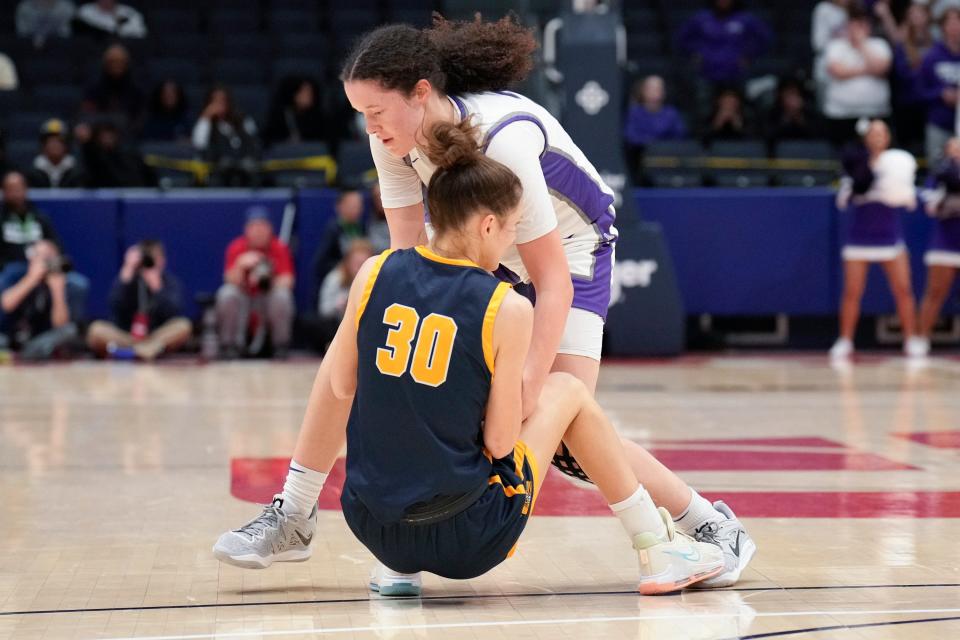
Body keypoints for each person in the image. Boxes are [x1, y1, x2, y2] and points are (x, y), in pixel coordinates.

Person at [213, 16, 755, 590]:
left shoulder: (505, 138)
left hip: (569, 252)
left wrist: (524, 382)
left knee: (558, 423)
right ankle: (297, 512)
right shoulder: (389, 141)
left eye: (376, 111)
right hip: (481, 246)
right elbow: (408, 268)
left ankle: (706, 525)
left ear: (421, 93)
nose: (368, 127)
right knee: (353, 357)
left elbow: (552, 279)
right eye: (361, 115)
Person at [831, 120, 925, 360]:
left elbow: (911, 201)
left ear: (888, 137)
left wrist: (894, 191)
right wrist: (861, 187)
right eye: (873, 133)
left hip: (890, 238)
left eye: (882, 132)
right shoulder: (855, 162)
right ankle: (845, 340)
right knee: (852, 291)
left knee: (903, 289)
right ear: (866, 137)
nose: (877, 137)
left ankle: (910, 339)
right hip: (859, 239)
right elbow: (842, 200)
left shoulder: (898, 163)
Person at [86, 240, 192, 361]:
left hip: (155, 336)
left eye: (154, 258)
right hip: (126, 336)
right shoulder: (127, 280)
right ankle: (142, 352)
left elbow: (174, 310)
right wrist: (127, 272)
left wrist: (157, 289)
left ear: (163, 261)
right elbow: (114, 306)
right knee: (96, 330)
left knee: (183, 326)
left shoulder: (170, 282)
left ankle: (135, 352)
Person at [216, 207, 295, 359]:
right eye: (254, 227)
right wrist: (240, 265)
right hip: (244, 297)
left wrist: (266, 280)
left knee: (282, 296)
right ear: (246, 229)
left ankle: (280, 346)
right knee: (227, 294)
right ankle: (229, 346)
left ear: (270, 229)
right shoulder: (236, 247)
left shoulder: (279, 247)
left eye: (262, 226)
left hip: (267, 298)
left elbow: (288, 280)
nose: (258, 232)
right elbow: (228, 280)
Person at [822, 3, 893, 148]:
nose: (856, 29)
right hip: (840, 115)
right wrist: (867, 70)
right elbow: (837, 72)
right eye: (853, 25)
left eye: (861, 25)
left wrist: (862, 44)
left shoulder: (880, 45)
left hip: (876, 113)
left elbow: (881, 69)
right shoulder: (835, 46)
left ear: (868, 26)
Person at [916, 136, 960, 354]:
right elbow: (928, 204)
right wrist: (942, 198)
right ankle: (921, 339)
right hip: (945, 241)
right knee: (935, 292)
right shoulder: (940, 174)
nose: (956, 151)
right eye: (952, 147)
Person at [192, 86, 261, 187]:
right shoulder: (206, 122)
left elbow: (255, 142)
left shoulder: (243, 119)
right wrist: (206, 115)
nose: (219, 103)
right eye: (215, 100)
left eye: (223, 99)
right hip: (219, 171)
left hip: (245, 170)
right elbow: (198, 143)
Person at [919, 3, 960, 168]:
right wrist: (941, 94)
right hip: (939, 123)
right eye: (949, 22)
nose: (954, 26)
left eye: (958, 21)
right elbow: (919, 92)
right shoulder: (931, 56)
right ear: (942, 27)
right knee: (938, 170)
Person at [80, 43, 145, 135]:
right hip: (98, 136)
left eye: (120, 62)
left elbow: (140, 118)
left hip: (128, 136)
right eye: (112, 62)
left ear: (126, 64)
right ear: (105, 64)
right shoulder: (94, 90)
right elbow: (87, 116)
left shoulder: (136, 92)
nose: (116, 66)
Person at [311, 189, 366, 288]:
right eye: (352, 205)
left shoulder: (362, 227)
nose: (357, 209)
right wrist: (344, 267)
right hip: (340, 281)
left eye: (359, 205)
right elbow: (320, 263)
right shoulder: (333, 230)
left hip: (360, 276)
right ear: (340, 206)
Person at [263, 77, 328, 147]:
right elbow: (270, 142)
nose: (309, 96)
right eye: (304, 92)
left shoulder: (318, 117)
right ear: (293, 94)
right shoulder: (279, 116)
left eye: (311, 92)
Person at [25, 119, 85, 189]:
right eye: (51, 142)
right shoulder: (32, 172)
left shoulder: (77, 171)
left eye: (59, 142)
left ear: (66, 145)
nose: (55, 145)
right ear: (43, 145)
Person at [75, 0, 146, 39]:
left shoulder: (129, 13)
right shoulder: (85, 11)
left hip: (123, 49)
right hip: (94, 50)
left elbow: (140, 33)